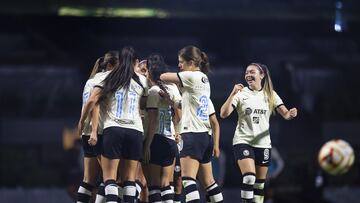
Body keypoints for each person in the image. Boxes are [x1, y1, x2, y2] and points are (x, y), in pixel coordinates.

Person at [220, 63, 298, 203]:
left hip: (263, 144)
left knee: (259, 184)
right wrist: (233, 93)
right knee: (249, 176)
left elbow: (285, 114)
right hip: (243, 141)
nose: (248, 75)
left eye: (252, 72)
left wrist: (291, 114)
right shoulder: (241, 93)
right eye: (246, 72)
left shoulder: (270, 94)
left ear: (262, 75)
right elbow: (223, 114)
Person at [82, 46, 148, 203]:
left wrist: (82, 123)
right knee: (129, 180)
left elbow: (93, 100)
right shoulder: (142, 80)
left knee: (110, 178)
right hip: (135, 130)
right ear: (135, 62)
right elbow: (146, 104)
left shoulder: (110, 77)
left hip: (113, 130)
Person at [160, 45, 222, 203]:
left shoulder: (191, 76)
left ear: (192, 62)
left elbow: (163, 76)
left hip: (191, 134)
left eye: (181, 62)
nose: (179, 65)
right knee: (209, 182)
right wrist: (171, 101)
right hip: (205, 136)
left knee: (188, 180)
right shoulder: (204, 79)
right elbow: (187, 104)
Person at [76, 51, 119, 203]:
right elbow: (94, 104)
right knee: (111, 177)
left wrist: (81, 122)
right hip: (98, 131)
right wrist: (94, 129)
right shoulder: (105, 79)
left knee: (89, 179)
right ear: (109, 65)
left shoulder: (91, 80)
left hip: (86, 132)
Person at [142, 54, 182, 203]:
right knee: (167, 185)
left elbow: (153, 120)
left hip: (156, 140)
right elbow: (180, 112)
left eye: (146, 71)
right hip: (171, 140)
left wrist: (147, 145)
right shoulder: (172, 87)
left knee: (153, 186)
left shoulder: (153, 91)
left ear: (150, 72)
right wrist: (177, 132)